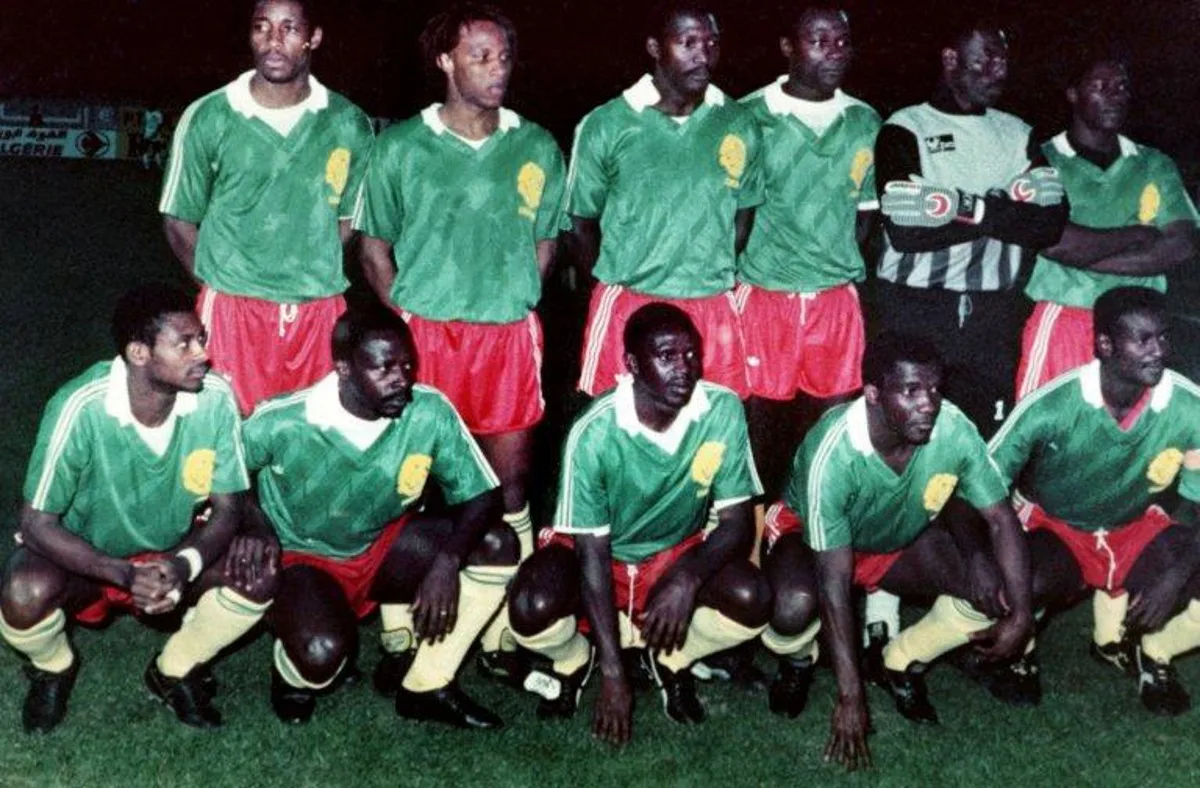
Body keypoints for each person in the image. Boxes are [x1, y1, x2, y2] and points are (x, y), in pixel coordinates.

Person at [354, 6, 565, 674]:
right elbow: (373, 248)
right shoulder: (400, 148)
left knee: (510, 485)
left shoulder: (536, 146)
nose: (497, 69)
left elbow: (547, 243)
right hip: (428, 337)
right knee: (411, 480)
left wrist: (510, 300)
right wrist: (410, 319)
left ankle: (502, 625)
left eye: (503, 56)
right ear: (445, 61)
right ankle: (396, 616)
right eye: (480, 56)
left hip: (505, 339)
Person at [0, 284, 276, 734]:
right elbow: (35, 524)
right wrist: (125, 574)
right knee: (23, 592)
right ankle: (52, 668)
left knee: (258, 572)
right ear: (139, 353)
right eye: (184, 344)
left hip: (174, 548)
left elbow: (229, 506)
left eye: (201, 339)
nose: (203, 354)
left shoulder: (215, 398)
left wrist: (184, 565)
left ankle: (174, 670)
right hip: (89, 557)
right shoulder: (80, 407)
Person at [507, 304, 771, 745]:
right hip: (602, 556)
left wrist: (686, 578)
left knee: (754, 596)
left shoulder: (721, 408)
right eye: (667, 356)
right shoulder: (595, 430)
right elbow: (591, 554)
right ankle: (576, 660)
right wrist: (614, 675)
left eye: (691, 354)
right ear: (631, 363)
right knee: (530, 605)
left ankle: (670, 659)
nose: (684, 368)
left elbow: (736, 524)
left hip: (673, 552)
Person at [765, 332, 1031, 769]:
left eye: (935, 389)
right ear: (873, 393)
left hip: (894, 536)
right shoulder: (833, 450)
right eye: (911, 390)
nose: (929, 404)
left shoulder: (953, 427)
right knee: (794, 604)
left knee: (996, 589)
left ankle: (900, 660)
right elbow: (833, 582)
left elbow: (1001, 519)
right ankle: (798, 659)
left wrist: (1020, 614)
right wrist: (850, 697)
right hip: (810, 539)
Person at [243, 305, 517, 728]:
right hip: (301, 556)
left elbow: (484, 497)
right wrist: (257, 529)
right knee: (321, 656)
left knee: (496, 543)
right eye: (383, 367)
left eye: (407, 365)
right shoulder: (284, 419)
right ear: (344, 369)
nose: (401, 378)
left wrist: (446, 563)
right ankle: (290, 669)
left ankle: (427, 686)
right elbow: (226, 474)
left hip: (382, 545)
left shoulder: (427, 411)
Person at [990, 287, 1200, 716]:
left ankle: (1156, 652)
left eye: (1163, 337)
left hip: (1132, 524)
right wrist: (988, 557)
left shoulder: (1188, 406)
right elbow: (983, 484)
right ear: (1104, 344)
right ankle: (1021, 650)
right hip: (1056, 526)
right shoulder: (1053, 404)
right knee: (1021, 581)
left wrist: (1175, 575)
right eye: (1143, 340)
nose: (1158, 351)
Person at [160, 0, 375, 415]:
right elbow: (178, 220)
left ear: (314, 37)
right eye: (262, 27)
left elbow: (350, 219)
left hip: (317, 311)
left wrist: (304, 265)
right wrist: (220, 285)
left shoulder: (348, 123)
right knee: (227, 439)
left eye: (289, 28)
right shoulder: (209, 115)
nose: (273, 41)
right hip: (232, 312)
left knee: (311, 437)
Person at [874, 17, 1068, 436]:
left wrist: (959, 207)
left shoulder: (1017, 132)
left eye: (1004, 61)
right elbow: (905, 231)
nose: (999, 71)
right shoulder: (905, 127)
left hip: (992, 315)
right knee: (908, 435)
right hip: (915, 308)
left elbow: (1050, 223)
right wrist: (1004, 206)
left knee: (985, 437)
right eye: (987, 59)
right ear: (951, 59)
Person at [569, 4, 763, 399]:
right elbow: (579, 224)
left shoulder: (738, 122)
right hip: (631, 304)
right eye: (687, 42)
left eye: (711, 43)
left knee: (716, 422)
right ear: (655, 48)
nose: (703, 54)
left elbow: (744, 214)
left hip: (711, 303)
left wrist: (704, 269)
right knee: (619, 421)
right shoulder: (607, 124)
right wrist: (622, 281)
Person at [736, 4, 879, 498]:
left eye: (842, 42)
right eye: (819, 41)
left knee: (830, 437)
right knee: (758, 434)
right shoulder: (749, 116)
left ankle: (807, 525)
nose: (834, 52)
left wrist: (829, 260)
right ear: (788, 47)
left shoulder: (864, 120)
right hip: (765, 297)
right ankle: (752, 531)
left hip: (835, 301)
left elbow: (865, 214)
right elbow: (734, 213)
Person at [1015, 57, 1199, 398]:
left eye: (1121, 87)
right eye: (1100, 86)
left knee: (1139, 429)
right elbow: (1054, 242)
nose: (1114, 95)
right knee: (1051, 426)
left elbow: (1182, 244)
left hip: (1141, 328)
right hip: (1066, 319)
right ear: (1073, 94)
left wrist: (1082, 253)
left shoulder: (1152, 163)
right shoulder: (1043, 160)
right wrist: (1136, 235)